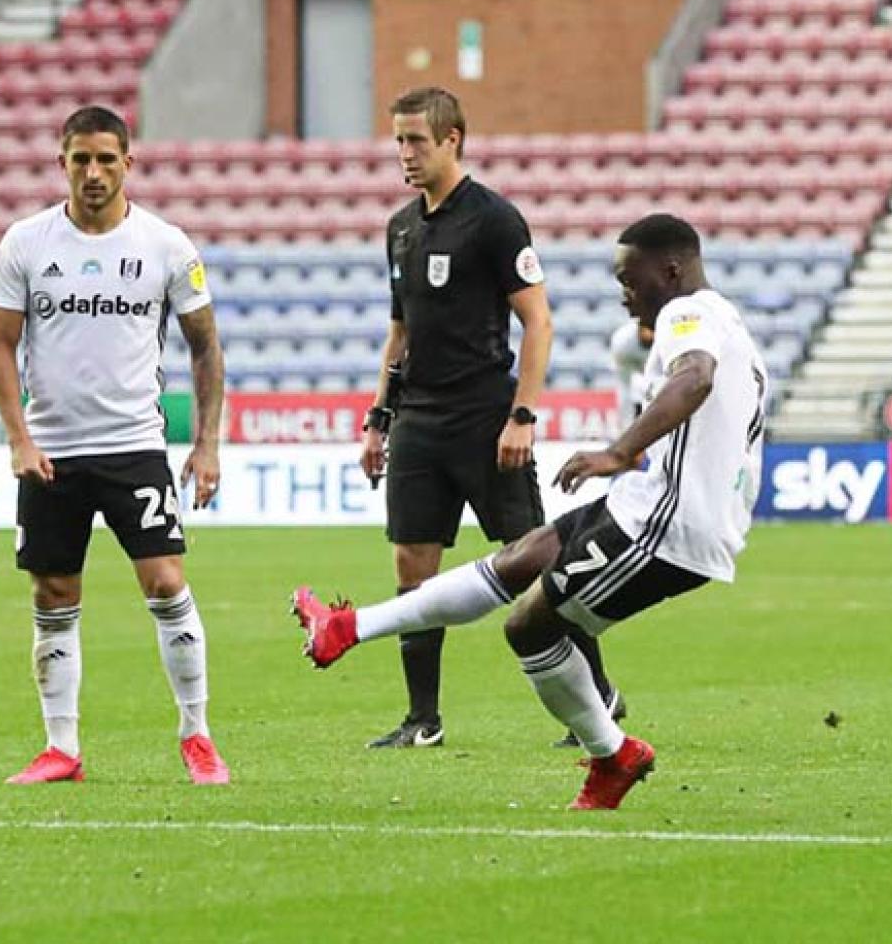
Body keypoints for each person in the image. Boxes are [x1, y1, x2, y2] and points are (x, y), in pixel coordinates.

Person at [295, 213, 768, 809]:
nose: (623, 293)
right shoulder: (728, 320)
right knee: (525, 555)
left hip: (668, 526)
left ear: (670, 271)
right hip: (651, 507)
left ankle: (611, 755)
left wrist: (620, 451)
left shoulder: (685, 313)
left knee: (530, 626)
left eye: (629, 278)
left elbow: (695, 378)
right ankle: (347, 628)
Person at [359, 85, 622, 749]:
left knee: (537, 563)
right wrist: (378, 418)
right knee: (411, 565)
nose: (405, 154)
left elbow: (538, 320)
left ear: (453, 140)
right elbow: (401, 334)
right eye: (398, 140)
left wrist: (522, 414)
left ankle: (601, 697)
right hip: (419, 419)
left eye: (416, 140)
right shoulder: (401, 227)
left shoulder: (495, 220)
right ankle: (424, 720)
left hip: (486, 417)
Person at [0, 105, 230, 786]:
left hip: (134, 448)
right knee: (54, 591)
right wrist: (18, 439)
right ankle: (61, 748)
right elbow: (0, 347)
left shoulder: (166, 245)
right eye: (79, 161)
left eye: (105, 160)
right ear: (62, 162)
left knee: (166, 581)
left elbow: (205, 346)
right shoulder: (26, 244)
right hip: (53, 453)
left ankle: (197, 735)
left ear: (128, 162)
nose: (93, 174)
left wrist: (206, 444)